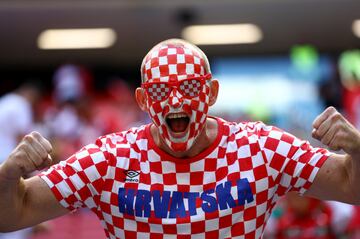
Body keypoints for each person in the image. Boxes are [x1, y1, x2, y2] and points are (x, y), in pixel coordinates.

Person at [0, 39, 360, 239]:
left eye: (188, 88)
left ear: (212, 93)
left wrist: (357, 150)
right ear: (143, 101)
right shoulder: (109, 160)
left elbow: (351, 186)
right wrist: (6, 177)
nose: (175, 101)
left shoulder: (260, 149)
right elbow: (13, 214)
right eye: (160, 91)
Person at [0, 81, 42, 239]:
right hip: (7, 163)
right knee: (15, 208)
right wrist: (29, 175)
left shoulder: (4, 101)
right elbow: (24, 142)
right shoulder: (21, 104)